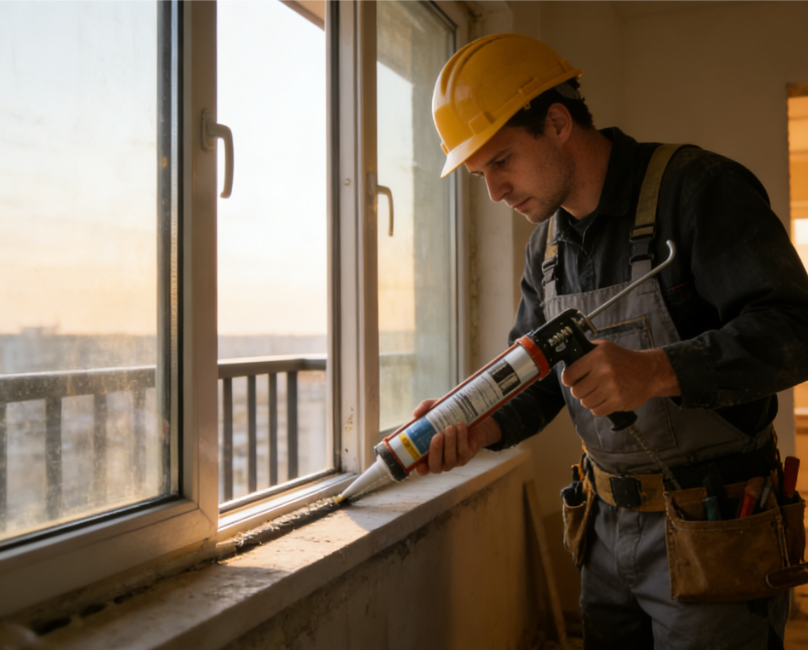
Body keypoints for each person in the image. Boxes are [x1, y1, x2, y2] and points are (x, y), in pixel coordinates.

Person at [415, 33, 808, 649]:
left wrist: (658, 371)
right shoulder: (545, 249)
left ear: (556, 122)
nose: (493, 191)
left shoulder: (698, 189)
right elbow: (537, 377)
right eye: (477, 172)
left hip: (716, 528)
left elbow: (794, 330)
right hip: (603, 532)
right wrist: (476, 428)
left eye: (501, 161)